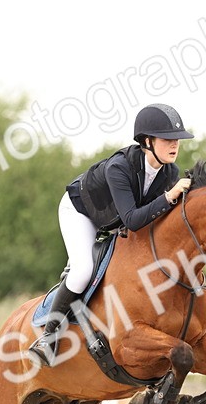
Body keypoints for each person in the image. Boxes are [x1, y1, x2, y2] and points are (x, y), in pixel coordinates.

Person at [29, 103, 195, 366]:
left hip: (114, 221)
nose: (175, 145)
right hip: (81, 212)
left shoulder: (169, 172)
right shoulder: (119, 167)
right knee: (83, 269)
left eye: (177, 140)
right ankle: (48, 337)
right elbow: (132, 218)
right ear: (147, 141)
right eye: (167, 139)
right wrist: (170, 196)